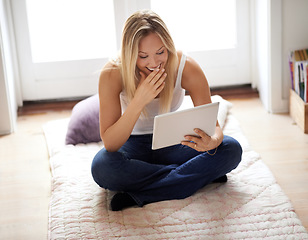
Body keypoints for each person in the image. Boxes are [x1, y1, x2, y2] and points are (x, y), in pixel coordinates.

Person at [91, 9, 242, 211]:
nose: (153, 63)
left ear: (169, 47)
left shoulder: (186, 67)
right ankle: (194, 176)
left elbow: (213, 127)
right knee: (102, 166)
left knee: (230, 149)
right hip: (131, 145)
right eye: (143, 56)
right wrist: (139, 101)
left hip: (173, 141)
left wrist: (212, 141)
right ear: (129, 54)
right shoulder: (111, 73)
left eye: (160, 52)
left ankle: (143, 193)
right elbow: (110, 143)